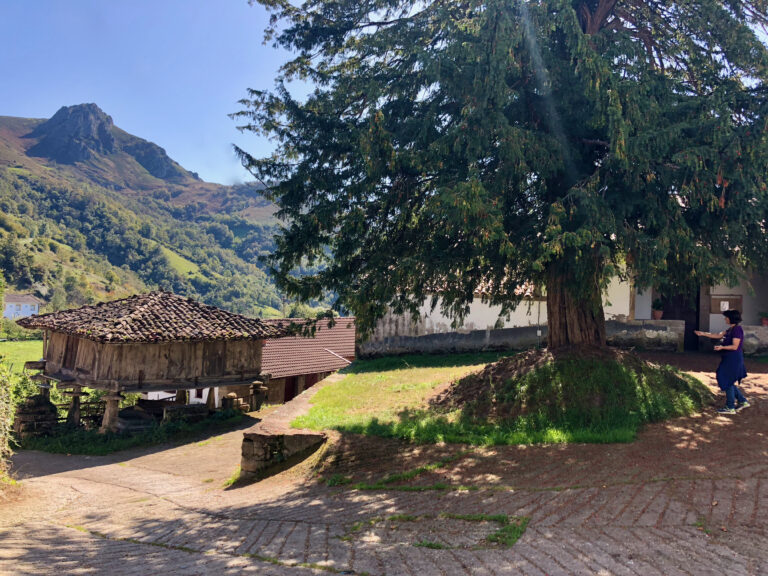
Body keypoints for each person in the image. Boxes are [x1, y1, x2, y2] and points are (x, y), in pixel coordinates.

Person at [695, 310, 750, 414]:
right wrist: (703, 334)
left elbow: (735, 346)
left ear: (731, 318)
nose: (725, 319)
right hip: (729, 358)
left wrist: (722, 347)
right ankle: (742, 401)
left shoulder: (737, 330)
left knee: (725, 378)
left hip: (733, 358)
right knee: (727, 379)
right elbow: (718, 335)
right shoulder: (730, 329)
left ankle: (730, 407)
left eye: (726, 317)